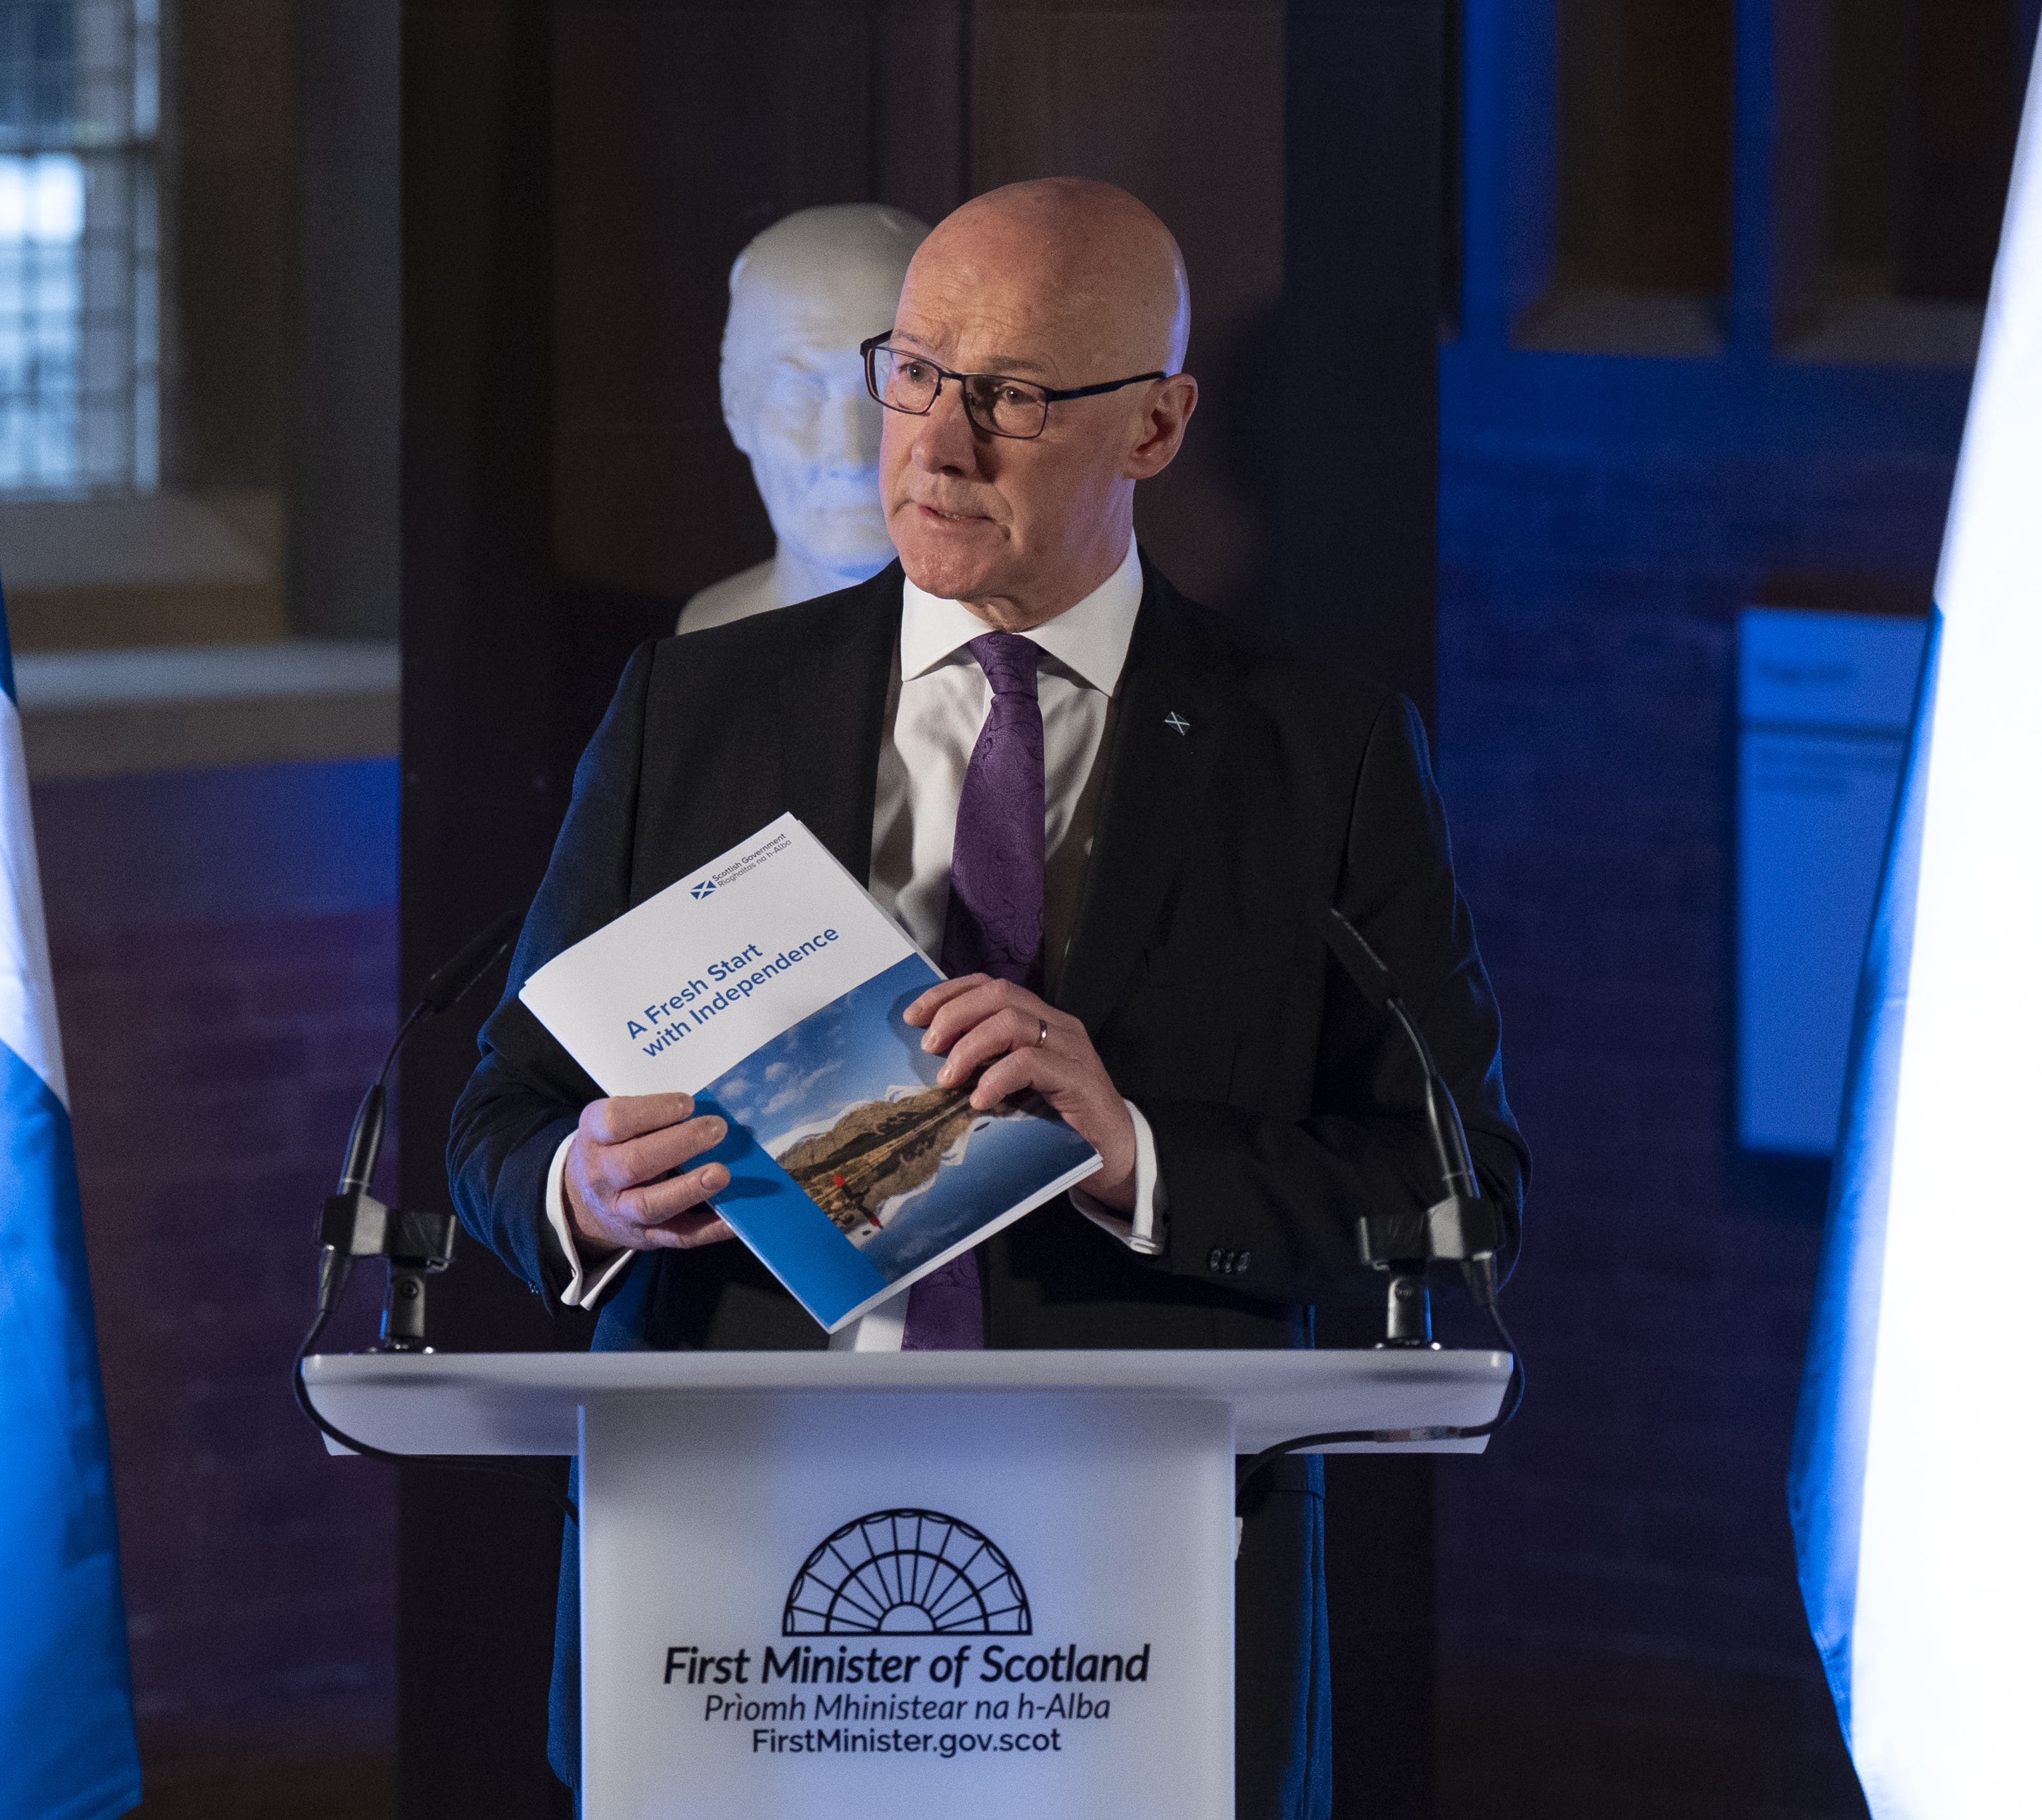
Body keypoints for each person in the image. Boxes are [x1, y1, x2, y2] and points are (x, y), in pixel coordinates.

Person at [446, 176, 1526, 1817]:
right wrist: (581, 1189)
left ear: (1153, 428)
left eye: (1014, 397)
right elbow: (495, 1118)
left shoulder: (1320, 754)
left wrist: (1137, 1153)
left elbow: (1457, 1189)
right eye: (914, 371)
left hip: (1134, 1609)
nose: (934, 445)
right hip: (729, 1584)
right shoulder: (692, 708)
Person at [678, 203, 928, 634]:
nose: (853, 455)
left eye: (893, 385)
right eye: (800, 397)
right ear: (735, 405)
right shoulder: (701, 649)